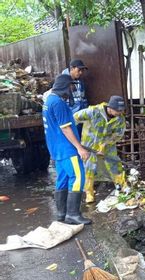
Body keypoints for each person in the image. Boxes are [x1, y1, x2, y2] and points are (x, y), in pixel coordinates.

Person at [42, 74, 91, 225]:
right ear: (64, 86)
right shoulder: (58, 103)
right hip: (67, 148)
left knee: (62, 179)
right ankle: (73, 214)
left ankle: (61, 213)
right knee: (77, 177)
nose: (72, 89)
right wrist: (79, 148)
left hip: (56, 149)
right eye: (71, 86)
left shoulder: (49, 100)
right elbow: (66, 129)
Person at [73, 96, 127, 203]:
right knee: (89, 168)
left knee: (114, 164)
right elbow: (74, 118)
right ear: (110, 107)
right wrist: (74, 138)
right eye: (117, 110)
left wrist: (106, 143)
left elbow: (118, 134)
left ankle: (122, 184)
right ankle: (89, 192)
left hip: (108, 146)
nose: (119, 112)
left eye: (121, 110)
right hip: (89, 145)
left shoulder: (120, 119)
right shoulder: (93, 111)